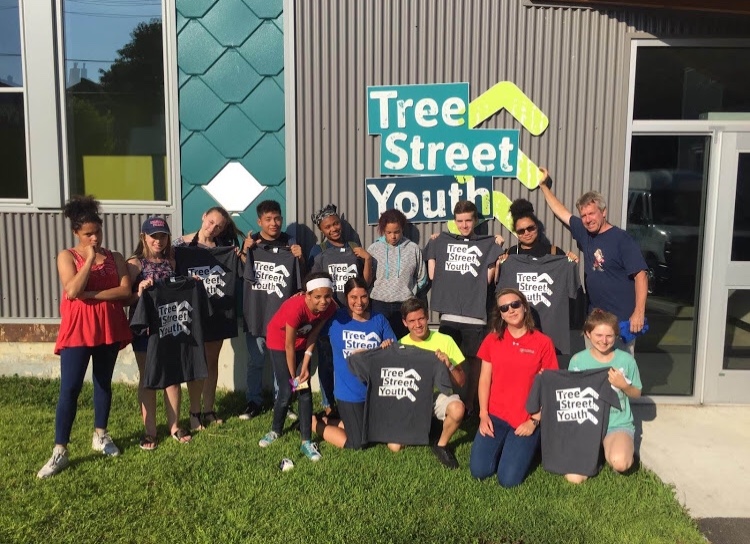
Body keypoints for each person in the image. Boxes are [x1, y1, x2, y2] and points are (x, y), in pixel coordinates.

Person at [37, 196, 132, 479]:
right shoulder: (67, 256)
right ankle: (60, 450)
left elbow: (124, 291)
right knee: (70, 388)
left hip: (108, 327)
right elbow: (72, 290)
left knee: (103, 382)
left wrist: (91, 294)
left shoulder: (115, 257)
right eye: (88, 233)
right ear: (76, 232)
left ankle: (100, 435)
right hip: (78, 329)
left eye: (97, 232)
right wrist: (89, 259)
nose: (95, 238)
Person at [536, 167, 647, 353]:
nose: (587, 220)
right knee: (593, 367)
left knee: (620, 368)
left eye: (592, 214)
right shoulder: (585, 232)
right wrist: (544, 186)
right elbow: (561, 212)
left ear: (603, 212)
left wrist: (639, 312)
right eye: (584, 215)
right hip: (595, 321)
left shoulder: (622, 239)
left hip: (621, 322)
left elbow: (641, 276)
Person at [469, 288, 558, 487]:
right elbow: (484, 379)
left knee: (508, 480)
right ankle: (506, 447)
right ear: (500, 314)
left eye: (515, 304)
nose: (510, 310)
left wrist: (535, 421)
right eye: (504, 308)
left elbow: (551, 386)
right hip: (496, 416)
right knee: (479, 471)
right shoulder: (492, 339)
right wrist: (483, 414)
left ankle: (528, 446)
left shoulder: (543, 342)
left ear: (524, 307)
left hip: (526, 418)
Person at [424, 200, 504, 414]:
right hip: (448, 315)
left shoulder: (487, 244)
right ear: (454, 221)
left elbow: (488, 279)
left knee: (475, 361)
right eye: (459, 221)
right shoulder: (441, 241)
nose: (464, 225)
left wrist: (496, 250)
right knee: (444, 360)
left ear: (475, 220)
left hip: (475, 315)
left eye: (468, 220)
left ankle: (470, 402)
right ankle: (448, 401)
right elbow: (432, 275)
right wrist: (435, 246)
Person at [174, 206, 244, 431]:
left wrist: (237, 256)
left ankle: (209, 409)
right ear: (203, 216)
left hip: (218, 311)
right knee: (196, 362)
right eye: (211, 221)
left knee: (211, 361)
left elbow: (240, 271)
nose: (212, 228)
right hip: (191, 312)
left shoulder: (224, 249)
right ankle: (194, 412)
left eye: (219, 226)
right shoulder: (179, 245)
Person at [126, 217, 191, 450]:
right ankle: (150, 431)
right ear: (143, 237)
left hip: (170, 326)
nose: (158, 240)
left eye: (163, 236)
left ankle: (174, 426)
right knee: (148, 377)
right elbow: (125, 299)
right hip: (144, 328)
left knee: (172, 377)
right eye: (154, 236)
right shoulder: (134, 264)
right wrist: (139, 291)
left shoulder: (171, 262)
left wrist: (189, 283)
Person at [258, 272, 337, 461]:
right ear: (307, 295)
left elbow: (313, 334)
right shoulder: (295, 307)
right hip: (280, 343)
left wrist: (306, 364)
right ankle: (275, 430)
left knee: (304, 390)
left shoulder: (331, 307)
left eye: (327, 296)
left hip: (302, 344)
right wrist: (294, 376)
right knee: (287, 391)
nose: (323, 301)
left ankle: (306, 441)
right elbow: (288, 346)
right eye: (317, 297)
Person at [312, 277, 396, 450]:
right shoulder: (336, 319)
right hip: (348, 392)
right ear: (346, 297)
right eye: (353, 297)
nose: (359, 302)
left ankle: (329, 420)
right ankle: (313, 423)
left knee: (373, 434)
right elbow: (311, 327)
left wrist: (386, 347)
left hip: (375, 392)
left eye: (364, 296)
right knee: (358, 443)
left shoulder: (379, 320)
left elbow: (394, 350)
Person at [240, 200, 304, 421]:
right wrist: (245, 251)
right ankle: (253, 401)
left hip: (282, 318)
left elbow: (301, 280)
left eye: (277, 218)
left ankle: (283, 401)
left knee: (282, 364)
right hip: (256, 314)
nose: (273, 223)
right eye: (268, 219)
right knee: (255, 361)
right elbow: (240, 272)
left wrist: (299, 257)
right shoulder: (252, 244)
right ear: (259, 221)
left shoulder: (290, 243)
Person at [309, 203, 372, 419]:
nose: (334, 229)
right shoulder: (319, 251)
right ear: (322, 230)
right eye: (328, 227)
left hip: (353, 315)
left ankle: (353, 400)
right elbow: (314, 284)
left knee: (351, 360)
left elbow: (365, 283)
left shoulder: (354, 246)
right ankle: (328, 404)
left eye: (336, 224)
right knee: (327, 361)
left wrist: (367, 259)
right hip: (328, 317)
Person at [565, 309, 642, 484]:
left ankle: (615, 446)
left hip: (617, 423)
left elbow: (637, 393)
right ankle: (597, 454)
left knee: (621, 463)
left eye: (609, 336)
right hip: (587, 424)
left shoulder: (626, 360)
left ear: (616, 336)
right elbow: (570, 396)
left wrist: (624, 385)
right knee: (574, 478)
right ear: (588, 334)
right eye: (598, 335)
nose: (604, 340)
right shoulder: (577, 361)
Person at [495, 198, 581, 355]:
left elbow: (573, 292)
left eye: (530, 228)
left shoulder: (555, 254)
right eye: (521, 231)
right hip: (519, 330)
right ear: (516, 233)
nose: (526, 233)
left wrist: (571, 264)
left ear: (537, 227)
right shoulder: (510, 256)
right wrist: (500, 265)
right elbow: (499, 292)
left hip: (550, 330)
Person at [398, 298, 467, 469]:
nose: (418, 325)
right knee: (395, 446)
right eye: (412, 321)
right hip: (413, 398)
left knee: (458, 409)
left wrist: (449, 365)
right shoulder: (401, 345)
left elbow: (461, 381)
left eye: (421, 318)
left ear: (427, 317)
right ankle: (432, 426)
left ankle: (441, 445)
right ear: (404, 323)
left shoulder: (445, 341)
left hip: (438, 395)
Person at [367, 209, 428, 338]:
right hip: (379, 304)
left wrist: (410, 291)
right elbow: (368, 278)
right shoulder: (374, 249)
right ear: (383, 230)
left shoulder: (413, 249)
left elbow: (422, 278)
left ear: (402, 229)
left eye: (397, 232)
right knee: (380, 340)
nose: (393, 237)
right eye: (389, 232)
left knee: (403, 341)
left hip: (404, 304)